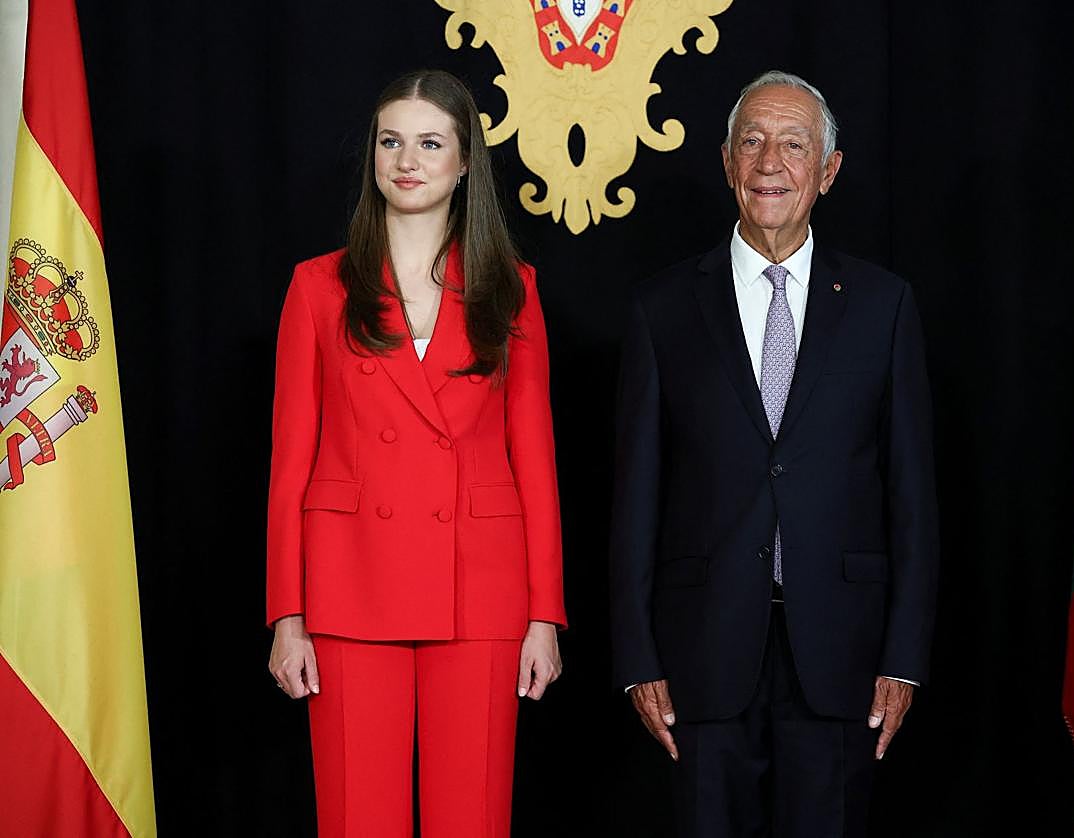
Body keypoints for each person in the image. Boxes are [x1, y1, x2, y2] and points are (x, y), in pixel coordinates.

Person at [609, 70, 939, 838]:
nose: (770, 163)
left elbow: (913, 496)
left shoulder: (884, 306)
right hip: (699, 655)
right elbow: (635, 497)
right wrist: (635, 655)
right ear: (726, 162)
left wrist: (904, 656)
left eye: (794, 145)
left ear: (828, 171)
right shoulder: (661, 307)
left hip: (844, 655)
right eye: (752, 141)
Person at [265, 69, 566, 838]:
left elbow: (535, 461)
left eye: (431, 143)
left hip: (483, 590)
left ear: (466, 162)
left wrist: (544, 615)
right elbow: (289, 464)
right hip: (347, 587)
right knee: (357, 819)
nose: (408, 159)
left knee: (472, 820)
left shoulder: (512, 287)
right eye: (391, 141)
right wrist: (287, 614)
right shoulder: (316, 287)